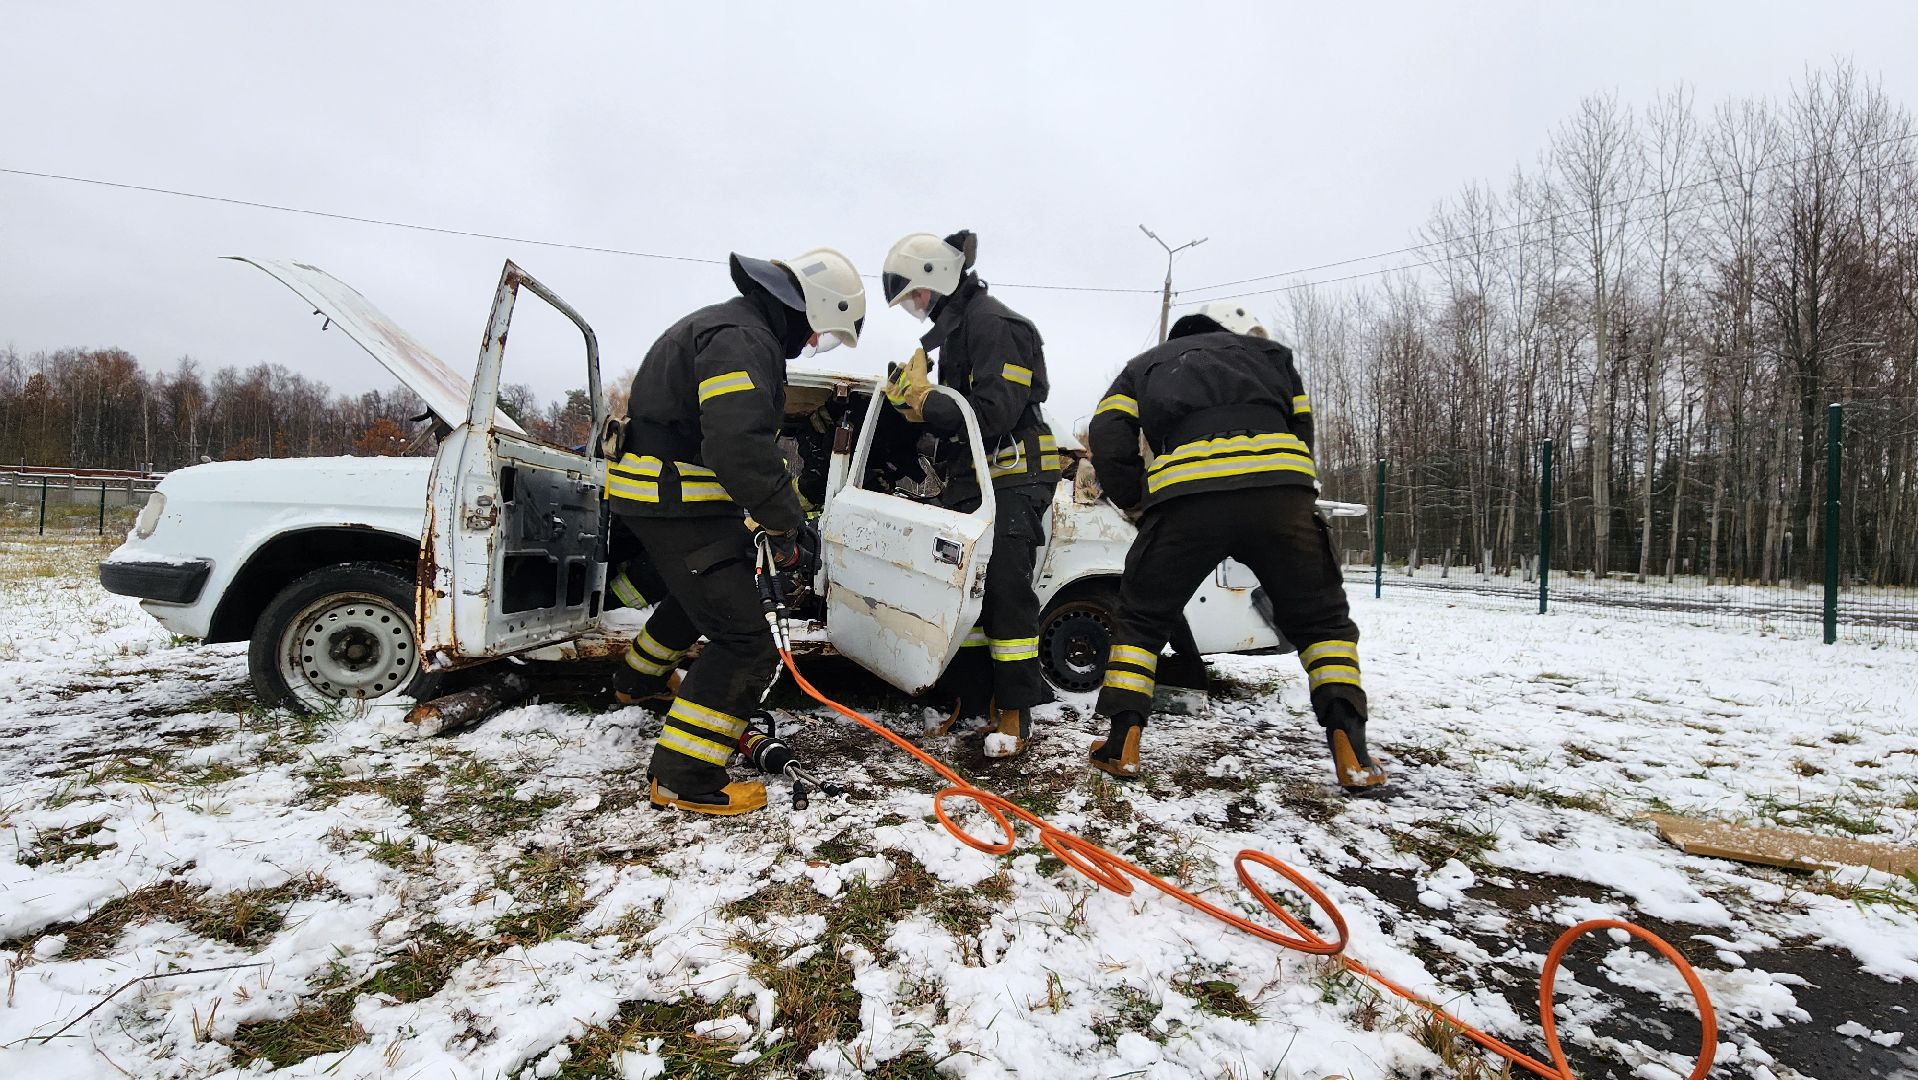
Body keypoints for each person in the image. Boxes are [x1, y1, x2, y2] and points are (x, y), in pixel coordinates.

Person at [1083, 300, 1387, 790]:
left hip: (1188, 499)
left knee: (1142, 618)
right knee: (1322, 622)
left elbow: (1107, 431)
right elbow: (1301, 426)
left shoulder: (1147, 365)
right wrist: (1289, 487)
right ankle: (1351, 747)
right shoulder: (1271, 355)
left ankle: (1123, 744)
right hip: (1280, 496)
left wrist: (1136, 497)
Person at [609, 247, 863, 815]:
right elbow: (738, 445)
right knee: (747, 641)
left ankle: (638, 681)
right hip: (678, 501)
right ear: (807, 307)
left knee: (697, 598)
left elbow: (734, 443)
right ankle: (686, 777)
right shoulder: (746, 339)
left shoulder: (732, 325)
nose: (811, 345)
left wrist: (778, 511)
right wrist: (786, 525)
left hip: (666, 497)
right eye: (822, 332)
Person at [880, 230, 1057, 758]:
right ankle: (978, 704)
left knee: (1004, 588)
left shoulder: (995, 326)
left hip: (1013, 474)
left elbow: (995, 412)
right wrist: (909, 407)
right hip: (977, 478)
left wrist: (928, 401)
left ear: (937, 278)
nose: (917, 308)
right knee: (968, 595)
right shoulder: (957, 332)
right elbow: (959, 421)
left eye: (916, 294)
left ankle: (1016, 714)